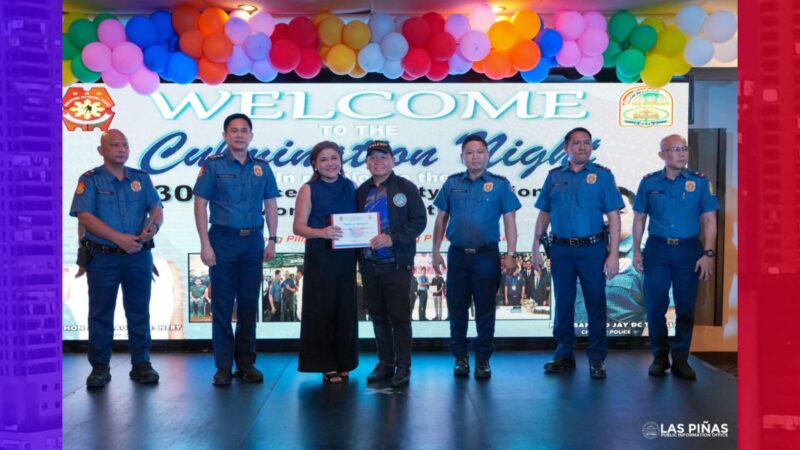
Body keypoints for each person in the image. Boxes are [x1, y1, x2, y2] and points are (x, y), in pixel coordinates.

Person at [69, 129, 163, 388]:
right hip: (103, 257)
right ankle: (100, 367)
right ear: (101, 150)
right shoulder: (90, 179)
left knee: (139, 312)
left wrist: (153, 227)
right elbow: (84, 216)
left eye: (125, 145)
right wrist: (118, 238)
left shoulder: (141, 178)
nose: (122, 149)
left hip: (138, 256)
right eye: (115, 145)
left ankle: (141, 364)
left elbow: (157, 209)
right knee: (100, 313)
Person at [193, 113, 279, 386]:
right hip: (222, 240)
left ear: (251, 136)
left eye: (244, 130)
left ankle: (245, 363)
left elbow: (271, 204)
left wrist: (272, 239)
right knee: (221, 305)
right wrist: (205, 244)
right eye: (234, 130)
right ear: (225, 135)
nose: (239, 135)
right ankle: (222, 366)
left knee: (248, 305)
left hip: (253, 241)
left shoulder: (262, 167)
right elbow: (200, 204)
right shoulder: (213, 165)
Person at [533, 127, 624, 379]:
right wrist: (535, 246)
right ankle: (564, 355)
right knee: (563, 303)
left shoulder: (603, 176)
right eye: (577, 143)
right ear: (566, 148)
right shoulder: (554, 176)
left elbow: (614, 216)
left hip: (593, 249)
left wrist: (613, 254)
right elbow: (544, 212)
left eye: (587, 143)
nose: (582, 147)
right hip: (561, 249)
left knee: (595, 302)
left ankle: (597, 358)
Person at [432, 134, 521, 379]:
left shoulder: (500, 184)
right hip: (458, 256)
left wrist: (511, 254)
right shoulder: (451, 183)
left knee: (485, 310)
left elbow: (510, 221)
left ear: (488, 155)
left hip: (486, 256)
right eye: (469, 152)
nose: (475, 157)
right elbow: (441, 219)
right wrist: (435, 251)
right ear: (462, 157)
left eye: (480, 152)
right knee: (457, 309)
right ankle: (460, 357)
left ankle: (483, 359)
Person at [632, 134, 719, 379]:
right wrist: (636, 250)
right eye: (675, 149)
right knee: (655, 306)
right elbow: (639, 218)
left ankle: (681, 359)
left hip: (689, 251)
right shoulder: (649, 182)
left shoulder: (700, 182)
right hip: (657, 250)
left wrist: (708, 253)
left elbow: (710, 219)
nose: (682, 154)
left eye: (684, 149)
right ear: (662, 155)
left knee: (685, 307)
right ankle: (660, 357)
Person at [356, 140, 427, 387]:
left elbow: (419, 221)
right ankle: (385, 362)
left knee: (399, 317)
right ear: (367, 163)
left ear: (393, 161)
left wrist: (392, 238)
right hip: (369, 264)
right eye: (373, 158)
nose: (378, 162)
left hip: (397, 264)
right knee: (377, 316)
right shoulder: (362, 190)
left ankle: (403, 366)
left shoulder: (405, 188)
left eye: (383, 157)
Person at [294, 140, 359, 384]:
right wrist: (321, 232)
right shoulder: (308, 189)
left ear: (341, 161)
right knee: (322, 310)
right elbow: (298, 226)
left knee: (346, 309)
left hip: (346, 256)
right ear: (315, 164)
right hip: (321, 255)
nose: (330, 163)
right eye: (323, 159)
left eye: (334, 158)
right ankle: (327, 364)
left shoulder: (351, 186)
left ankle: (345, 361)